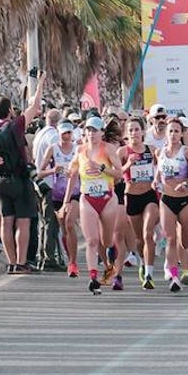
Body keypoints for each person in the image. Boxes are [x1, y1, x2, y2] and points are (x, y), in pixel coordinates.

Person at [0, 75, 46, 274]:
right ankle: (21, 262)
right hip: (19, 180)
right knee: (23, 221)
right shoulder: (17, 125)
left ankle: (11, 262)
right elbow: (36, 106)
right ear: (10, 111)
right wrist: (40, 84)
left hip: (0, 181)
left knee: (6, 220)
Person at [61, 117, 125, 295]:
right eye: (89, 130)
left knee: (107, 240)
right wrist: (66, 201)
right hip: (87, 198)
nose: (91, 134)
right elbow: (73, 174)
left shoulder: (109, 149)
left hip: (107, 198)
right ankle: (93, 277)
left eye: (95, 130)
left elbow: (119, 174)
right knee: (91, 241)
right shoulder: (80, 150)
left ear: (102, 133)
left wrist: (103, 168)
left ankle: (112, 260)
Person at [156, 118, 188, 292]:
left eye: (176, 131)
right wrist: (155, 182)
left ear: (182, 133)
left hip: (185, 200)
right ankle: (174, 276)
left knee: (185, 240)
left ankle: (186, 270)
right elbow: (158, 172)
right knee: (170, 239)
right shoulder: (160, 152)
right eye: (170, 131)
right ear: (166, 134)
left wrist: (187, 183)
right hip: (167, 199)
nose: (173, 134)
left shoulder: (187, 152)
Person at [119, 116, 161, 289]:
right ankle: (143, 263)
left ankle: (149, 274)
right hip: (132, 196)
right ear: (126, 135)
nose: (134, 133)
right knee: (138, 239)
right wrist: (128, 164)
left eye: (137, 129)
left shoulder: (151, 150)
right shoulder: (122, 152)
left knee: (148, 233)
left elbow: (162, 168)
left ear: (143, 132)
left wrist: (158, 179)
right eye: (131, 130)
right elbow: (116, 174)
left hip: (150, 195)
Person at [36, 121, 80, 277]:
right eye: (64, 134)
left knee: (69, 224)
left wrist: (76, 172)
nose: (67, 137)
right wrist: (54, 169)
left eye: (69, 133)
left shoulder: (77, 149)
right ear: (59, 135)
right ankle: (70, 260)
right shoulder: (53, 149)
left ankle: (73, 262)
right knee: (64, 229)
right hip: (57, 194)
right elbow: (39, 172)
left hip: (75, 192)